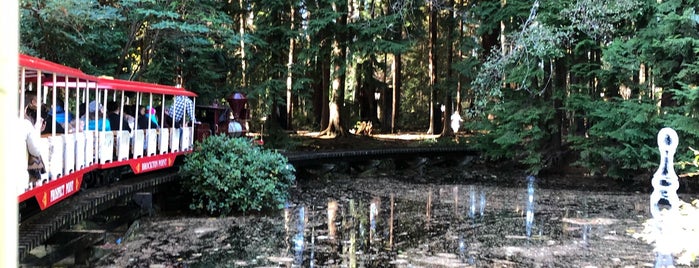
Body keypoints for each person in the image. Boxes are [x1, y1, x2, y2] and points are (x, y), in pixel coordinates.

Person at [20, 116, 43, 193]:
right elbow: (36, 150)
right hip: (20, 177)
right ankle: (36, 180)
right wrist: (36, 130)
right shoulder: (26, 123)